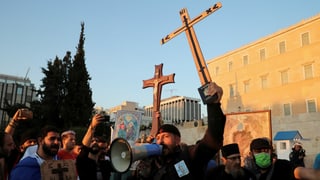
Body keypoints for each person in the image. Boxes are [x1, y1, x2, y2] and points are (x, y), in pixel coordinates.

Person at [131, 82, 226, 180]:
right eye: (158, 138)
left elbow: (211, 142)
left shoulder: (188, 156)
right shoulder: (149, 161)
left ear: (177, 140)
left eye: (166, 136)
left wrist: (213, 106)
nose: (160, 141)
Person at [76, 114, 112, 180]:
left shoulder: (105, 163)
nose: (95, 142)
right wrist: (92, 126)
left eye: (96, 141)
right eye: (92, 141)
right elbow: (85, 146)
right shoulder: (82, 161)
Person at [1, 108, 34, 179]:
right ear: (21, 147)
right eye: (29, 142)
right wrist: (14, 121)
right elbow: (5, 137)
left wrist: (14, 121)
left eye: (35, 142)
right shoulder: (11, 157)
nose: (32, 144)